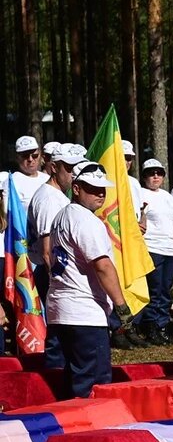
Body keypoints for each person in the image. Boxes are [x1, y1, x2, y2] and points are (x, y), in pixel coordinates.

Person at [46, 162, 135, 397]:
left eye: (102, 189)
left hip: (61, 309)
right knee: (93, 385)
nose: (100, 194)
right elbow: (103, 265)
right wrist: (121, 306)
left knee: (69, 381)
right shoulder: (86, 220)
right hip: (84, 312)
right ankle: (86, 432)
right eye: (93, 188)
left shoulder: (62, 216)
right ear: (76, 188)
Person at [26, 144, 88, 366]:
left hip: (59, 274)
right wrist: (58, 283)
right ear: (54, 167)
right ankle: (54, 385)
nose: (74, 174)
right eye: (69, 168)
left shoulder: (58, 196)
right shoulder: (49, 199)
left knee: (65, 335)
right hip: (53, 274)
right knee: (59, 336)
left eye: (78, 168)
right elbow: (47, 250)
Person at [137, 158, 173, 345]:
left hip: (169, 248)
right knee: (154, 289)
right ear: (144, 176)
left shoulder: (168, 197)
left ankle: (162, 326)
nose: (155, 176)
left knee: (166, 290)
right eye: (151, 173)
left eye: (159, 173)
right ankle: (150, 326)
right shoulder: (140, 193)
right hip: (151, 247)